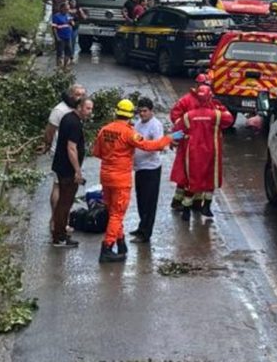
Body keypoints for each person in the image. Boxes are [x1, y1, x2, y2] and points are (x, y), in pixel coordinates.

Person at [92, 99, 181, 263]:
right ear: (130, 114)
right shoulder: (129, 133)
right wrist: (168, 139)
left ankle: (121, 243)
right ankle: (107, 247)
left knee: (113, 212)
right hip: (121, 179)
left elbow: (97, 152)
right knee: (117, 214)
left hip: (105, 177)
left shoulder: (104, 130)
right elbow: (149, 146)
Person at [171, 86, 234, 220]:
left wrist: (173, 140)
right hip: (212, 151)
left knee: (191, 179)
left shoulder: (188, 115)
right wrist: (220, 107)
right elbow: (229, 119)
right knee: (210, 178)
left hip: (193, 151)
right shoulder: (216, 114)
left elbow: (177, 126)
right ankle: (206, 206)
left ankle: (186, 210)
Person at [50, 98, 94, 248]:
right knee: (65, 203)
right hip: (67, 170)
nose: (90, 112)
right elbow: (71, 148)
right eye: (88, 108)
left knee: (63, 202)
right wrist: (77, 170)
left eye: (91, 109)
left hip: (60, 166)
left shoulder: (67, 118)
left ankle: (59, 234)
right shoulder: (75, 123)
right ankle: (60, 237)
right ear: (79, 107)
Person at [42, 85, 87, 233]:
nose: (80, 97)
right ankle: (57, 222)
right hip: (60, 153)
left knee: (65, 189)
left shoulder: (78, 109)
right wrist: (48, 145)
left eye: (83, 94)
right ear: (70, 94)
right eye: (77, 94)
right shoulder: (59, 110)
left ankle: (59, 221)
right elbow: (50, 131)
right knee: (59, 187)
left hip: (70, 153)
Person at [169, 74, 212, 211]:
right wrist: (181, 132)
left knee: (201, 172)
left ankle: (196, 201)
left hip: (203, 143)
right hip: (188, 142)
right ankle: (178, 200)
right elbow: (175, 116)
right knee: (185, 173)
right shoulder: (186, 100)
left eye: (208, 85)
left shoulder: (210, 100)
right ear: (197, 85)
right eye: (203, 85)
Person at [130, 98, 165, 244]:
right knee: (141, 200)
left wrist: (143, 145)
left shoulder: (155, 126)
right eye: (140, 111)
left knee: (149, 202)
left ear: (151, 111)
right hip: (139, 167)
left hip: (151, 168)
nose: (142, 114)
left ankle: (146, 233)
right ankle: (141, 226)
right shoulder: (138, 124)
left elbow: (159, 145)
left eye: (145, 111)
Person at [51, 3, 74, 69]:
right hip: (60, 37)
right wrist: (57, 37)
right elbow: (54, 28)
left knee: (68, 52)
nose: (67, 10)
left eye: (68, 9)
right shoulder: (56, 16)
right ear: (61, 8)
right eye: (66, 9)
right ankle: (58, 67)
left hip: (68, 36)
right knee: (60, 53)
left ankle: (65, 66)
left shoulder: (68, 15)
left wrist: (71, 22)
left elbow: (72, 24)